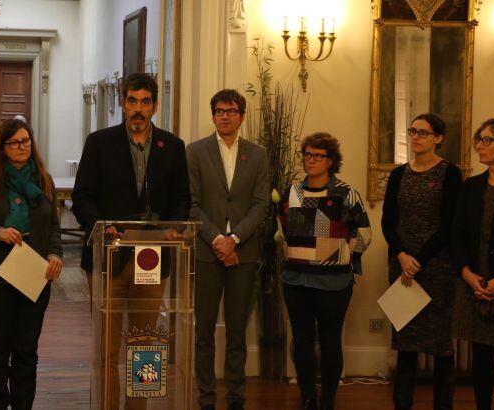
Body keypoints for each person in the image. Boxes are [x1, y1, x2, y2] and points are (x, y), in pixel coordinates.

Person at [71, 72, 190, 409]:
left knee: (146, 344)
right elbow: (82, 198)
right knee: (107, 349)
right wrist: (101, 226)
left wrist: (173, 227)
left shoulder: (173, 146)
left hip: (153, 258)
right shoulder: (99, 142)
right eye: (132, 101)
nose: (138, 109)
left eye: (145, 102)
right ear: (123, 104)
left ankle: (138, 408)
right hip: (109, 256)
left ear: (154, 106)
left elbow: (182, 198)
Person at [0, 119, 63, 410]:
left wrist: (55, 253)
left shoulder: (44, 180)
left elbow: (54, 226)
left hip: (35, 277)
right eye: (15, 143)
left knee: (26, 352)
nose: (22, 147)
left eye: (26, 141)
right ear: (2, 147)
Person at [186, 89, 269, 410]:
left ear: (242, 116)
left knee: (237, 333)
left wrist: (233, 240)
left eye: (232, 111)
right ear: (212, 115)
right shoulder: (195, 152)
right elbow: (191, 206)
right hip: (207, 253)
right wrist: (218, 239)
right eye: (220, 110)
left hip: (243, 254)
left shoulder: (258, 154)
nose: (225, 116)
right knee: (203, 332)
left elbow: (261, 205)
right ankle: (206, 397)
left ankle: (236, 397)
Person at [278, 132, 371, 410]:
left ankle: (328, 399)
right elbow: (282, 231)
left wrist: (339, 256)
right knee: (302, 341)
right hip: (295, 280)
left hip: (334, 282)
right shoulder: (291, 193)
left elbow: (364, 235)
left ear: (331, 161)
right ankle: (308, 397)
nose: (312, 160)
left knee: (330, 342)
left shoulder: (345, 193)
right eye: (308, 154)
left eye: (318, 155)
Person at [381, 113, 462, 410]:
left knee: (441, 349)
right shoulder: (398, 174)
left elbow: (449, 225)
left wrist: (420, 260)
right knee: (406, 347)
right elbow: (388, 222)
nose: (416, 137)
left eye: (423, 133)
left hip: (437, 269)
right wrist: (402, 256)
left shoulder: (450, 173)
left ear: (438, 138)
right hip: (403, 269)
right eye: (413, 131)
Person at [452, 118, 494, 410]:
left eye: (487, 140)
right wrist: (467, 274)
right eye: (479, 139)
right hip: (475, 285)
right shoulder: (472, 186)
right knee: (481, 361)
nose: (479, 144)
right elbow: (458, 236)